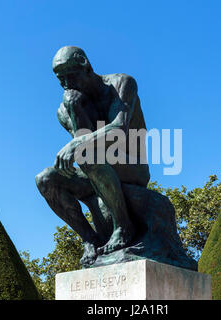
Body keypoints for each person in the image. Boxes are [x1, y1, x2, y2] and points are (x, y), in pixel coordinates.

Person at [35, 46, 150, 265]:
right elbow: (84, 138)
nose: (67, 84)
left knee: (87, 155)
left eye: (71, 76)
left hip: (131, 164)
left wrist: (77, 143)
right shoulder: (65, 108)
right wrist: (74, 106)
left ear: (86, 65)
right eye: (61, 80)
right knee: (45, 179)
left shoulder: (121, 84)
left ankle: (124, 227)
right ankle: (91, 239)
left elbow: (118, 128)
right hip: (96, 167)